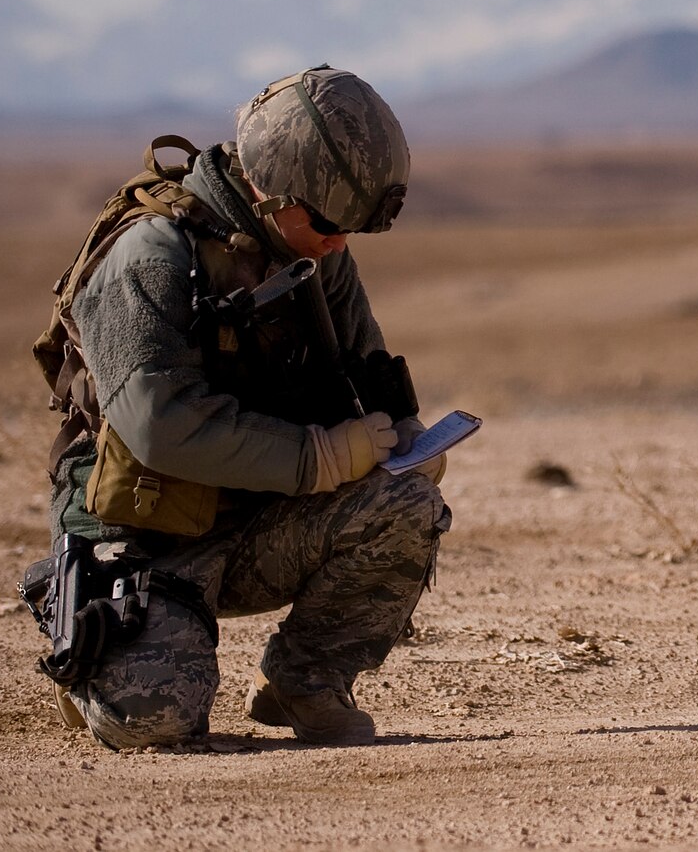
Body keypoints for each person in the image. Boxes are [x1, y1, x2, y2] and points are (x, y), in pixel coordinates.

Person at [29, 66, 447, 749]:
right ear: (271, 186)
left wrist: (404, 439)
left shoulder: (316, 255)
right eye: (328, 221)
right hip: (146, 531)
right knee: (154, 717)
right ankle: (91, 663)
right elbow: (158, 423)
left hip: (253, 515)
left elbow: (363, 367)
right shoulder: (151, 256)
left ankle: (306, 681)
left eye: (353, 227)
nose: (339, 240)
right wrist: (321, 457)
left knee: (406, 507)